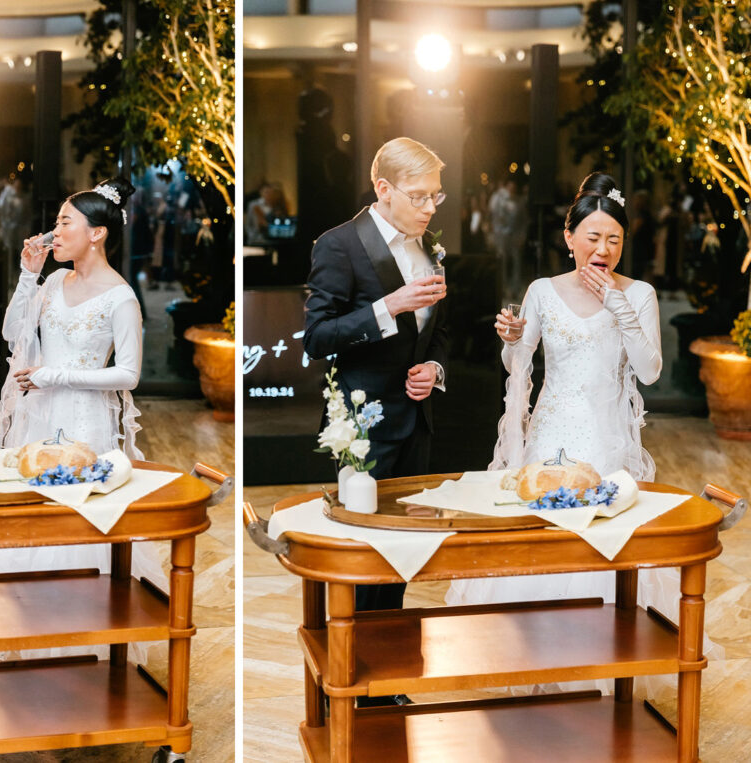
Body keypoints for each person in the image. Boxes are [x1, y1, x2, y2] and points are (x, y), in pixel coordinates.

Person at [446, 174, 716, 693]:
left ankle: (598, 661)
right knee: (544, 544)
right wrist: (512, 338)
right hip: (550, 436)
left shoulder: (640, 294)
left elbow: (651, 371)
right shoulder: (542, 292)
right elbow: (518, 364)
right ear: (568, 237)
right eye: (592, 237)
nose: (603, 249)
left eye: (614, 239)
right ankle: (535, 658)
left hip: (608, 441)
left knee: (604, 547)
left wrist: (618, 305)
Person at [0, 179, 153, 660]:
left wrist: (55, 375)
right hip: (38, 415)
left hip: (86, 422)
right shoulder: (51, 282)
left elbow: (128, 373)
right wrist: (28, 275)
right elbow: (11, 334)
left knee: (75, 518)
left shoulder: (122, 299)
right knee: (29, 513)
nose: (55, 231)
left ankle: (75, 638)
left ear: (97, 233)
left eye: (66, 222)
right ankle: (18, 628)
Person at [303, 136, 449, 616]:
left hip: (418, 424)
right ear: (384, 188)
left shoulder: (430, 246)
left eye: (436, 195)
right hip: (364, 430)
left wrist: (434, 368)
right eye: (419, 196)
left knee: (403, 553)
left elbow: (436, 332)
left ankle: (386, 678)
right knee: (364, 555)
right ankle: (353, 680)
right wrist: (388, 306)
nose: (430, 207)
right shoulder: (339, 244)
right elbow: (317, 337)